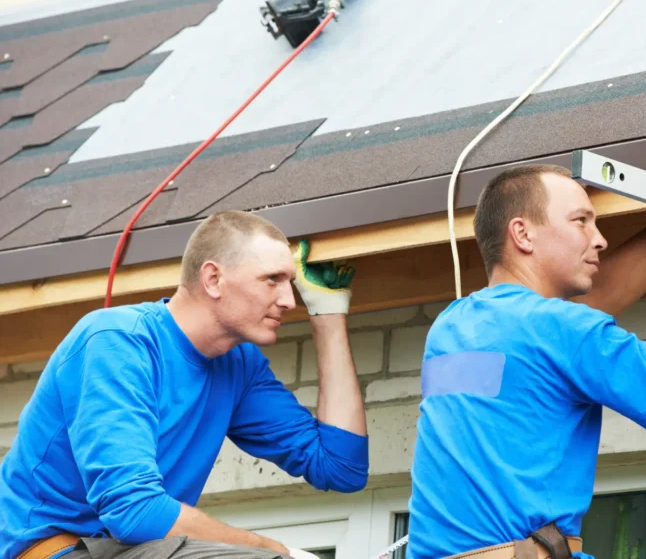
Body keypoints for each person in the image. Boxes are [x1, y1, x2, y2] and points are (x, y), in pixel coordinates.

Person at [406, 164, 646, 559]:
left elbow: (580, 317)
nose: (600, 239)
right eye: (581, 221)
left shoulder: (452, 327)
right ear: (522, 234)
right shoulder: (560, 331)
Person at [0, 211, 369, 559]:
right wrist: (274, 550)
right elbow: (135, 511)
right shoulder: (117, 342)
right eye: (272, 280)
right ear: (213, 279)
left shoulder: (238, 366)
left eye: (291, 283)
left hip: (130, 548)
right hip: (57, 550)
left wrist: (327, 312)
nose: (289, 300)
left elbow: (340, 467)